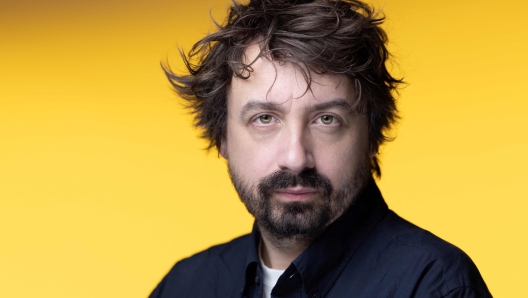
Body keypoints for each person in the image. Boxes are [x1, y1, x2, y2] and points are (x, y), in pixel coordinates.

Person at [150, 0, 492, 297]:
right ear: (222, 136)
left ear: (371, 135)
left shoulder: (435, 285)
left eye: (326, 119)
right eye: (265, 118)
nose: (296, 158)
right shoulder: (185, 285)